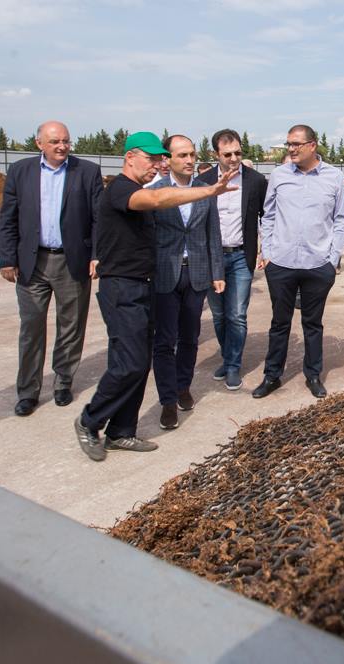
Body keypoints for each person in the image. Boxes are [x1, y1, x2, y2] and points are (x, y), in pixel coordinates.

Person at [73, 132, 238, 462]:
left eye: (160, 158)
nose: (156, 164)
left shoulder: (136, 187)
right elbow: (157, 200)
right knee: (130, 362)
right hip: (122, 287)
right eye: (151, 158)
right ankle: (89, 421)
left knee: (139, 362)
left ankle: (121, 431)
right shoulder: (122, 189)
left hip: (144, 284)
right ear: (130, 157)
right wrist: (210, 189)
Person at [0, 120, 102, 418]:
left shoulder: (87, 171)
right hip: (32, 262)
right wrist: (7, 258)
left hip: (73, 261)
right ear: (39, 143)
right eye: (55, 141)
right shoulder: (21, 171)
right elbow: (8, 217)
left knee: (71, 325)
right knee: (31, 327)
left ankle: (63, 382)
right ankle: (28, 391)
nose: (62, 146)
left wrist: (97, 255)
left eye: (66, 141)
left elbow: (99, 218)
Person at [251, 124, 344, 400]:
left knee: (313, 324)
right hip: (281, 263)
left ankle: (313, 375)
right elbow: (268, 215)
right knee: (279, 323)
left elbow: (341, 220)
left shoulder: (334, 177)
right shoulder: (279, 175)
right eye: (289, 144)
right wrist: (268, 252)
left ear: (312, 145)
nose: (291, 149)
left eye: (296, 144)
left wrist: (332, 259)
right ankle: (272, 376)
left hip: (318, 264)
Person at [149, 134, 224, 431]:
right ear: (167, 159)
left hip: (197, 273)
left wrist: (217, 272)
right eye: (182, 155)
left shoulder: (206, 190)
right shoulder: (154, 193)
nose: (190, 160)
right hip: (165, 274)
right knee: (164, 340)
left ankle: (183, 386)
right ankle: (167, 400)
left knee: (190, 337)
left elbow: (213, 234)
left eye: (192, 154)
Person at [195, 128, 268, 392]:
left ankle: (233, 365)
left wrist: (265, 249)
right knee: (218, 314)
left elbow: (266, 216)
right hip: (211, 259)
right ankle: (227, 358)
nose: (234, 158)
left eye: (238, 153)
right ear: (216, 154)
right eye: (227, 154)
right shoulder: (202, 182)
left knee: (236, 314)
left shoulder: (255, 181)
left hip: (240, 256)